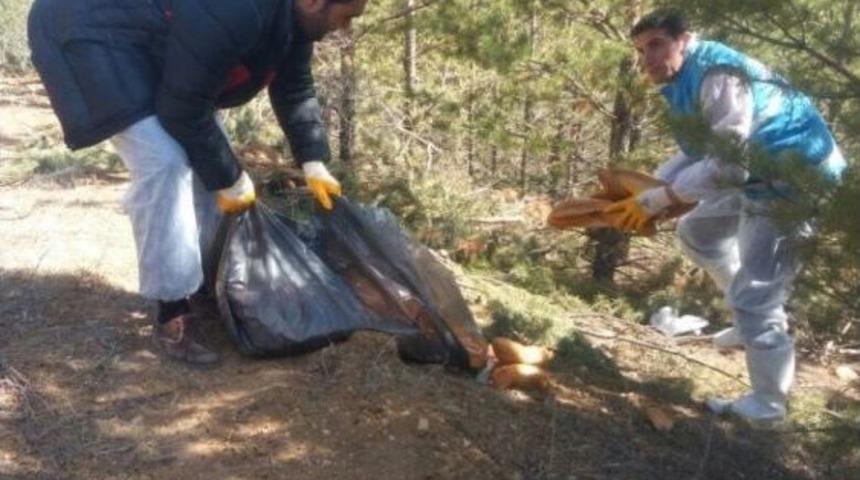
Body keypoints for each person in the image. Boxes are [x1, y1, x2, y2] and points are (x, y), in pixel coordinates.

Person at [28, 0, 369, 365]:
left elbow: (295, 87)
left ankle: (209, 283)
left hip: (146, 40)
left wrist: (312, 158)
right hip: (88, 30)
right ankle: (172, 310)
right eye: (346, 15)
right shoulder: (239, 9)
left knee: (210, 158)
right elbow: (185, 109)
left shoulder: (294, 22)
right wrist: (229, 176)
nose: (345, 28)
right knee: (165, 163)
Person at [606, 10, 847, 422]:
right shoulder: (687, 77)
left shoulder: (718, 74)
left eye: (657, 44)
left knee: (757, 296)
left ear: (684, 39)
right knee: (697, 232)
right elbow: (700, 150)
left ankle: (768, 406)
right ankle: (747, 320)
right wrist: (650, 187)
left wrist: (656, 200)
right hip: (757, 174)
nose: (647, 57)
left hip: (793, 183)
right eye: (642, 49)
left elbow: (728, 165)